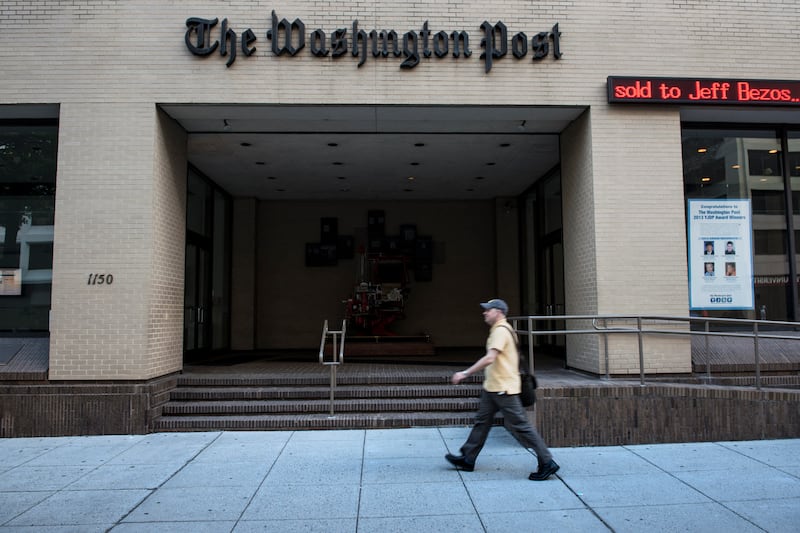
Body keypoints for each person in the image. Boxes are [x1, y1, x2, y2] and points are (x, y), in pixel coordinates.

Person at [444, 298, 559, 481]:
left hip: (503, 389)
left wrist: (465, 373)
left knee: (521, 426)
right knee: (482, 422)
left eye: (488, 310)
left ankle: (547, 462)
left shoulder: (500, 331)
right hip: (493, 387)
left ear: (498, 312)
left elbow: (490, 358)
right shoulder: (504, 330)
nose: (484, 312)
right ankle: (468, 457)